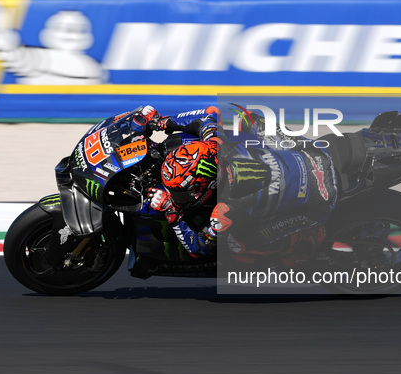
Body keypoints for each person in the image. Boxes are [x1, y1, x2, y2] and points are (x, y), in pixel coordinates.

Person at [139, 105, 338, 265]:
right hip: (315, 155)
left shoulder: (225, 210)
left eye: (184, 192)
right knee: (248, 118)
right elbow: (210, 113)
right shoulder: (216, 144)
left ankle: (303, 240)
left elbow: (198, 248)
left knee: (238, 247)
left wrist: (172, 212)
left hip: (320, 200)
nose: (180, 196)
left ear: (210, 185)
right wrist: (164, 122)